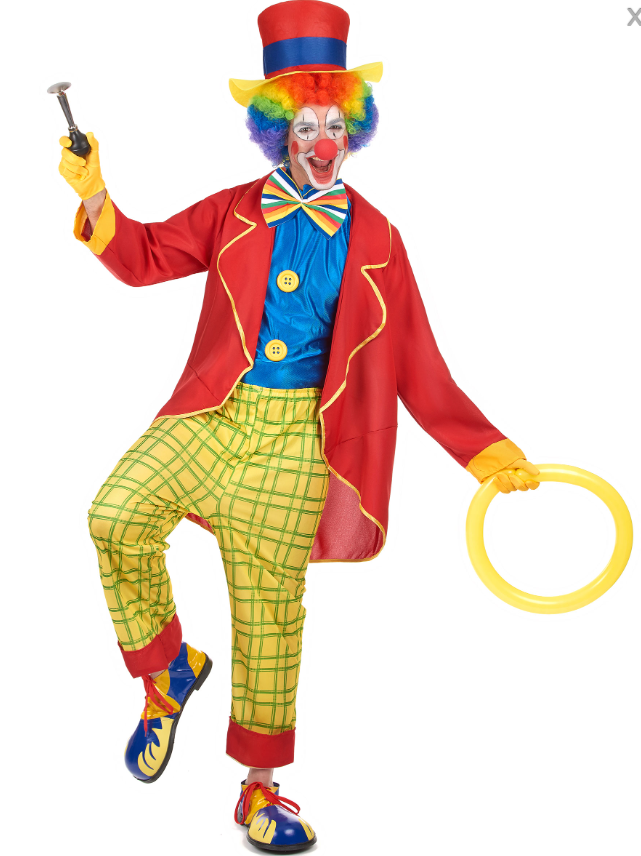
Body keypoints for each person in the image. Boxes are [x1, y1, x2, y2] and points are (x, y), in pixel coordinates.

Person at [57, 1, 539, 851]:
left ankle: (259, 792)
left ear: (353, 130)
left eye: (334, 125)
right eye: (305, 125)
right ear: (277, 132)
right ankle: (167, 670)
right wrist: (96, 193)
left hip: (297, 441)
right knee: (113, 514)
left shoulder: (379, 238)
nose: (322, 141)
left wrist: (486, 454)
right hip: (212, 411)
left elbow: (419, 364)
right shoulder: (235, 209)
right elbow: (143, 258)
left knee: (269, 616)